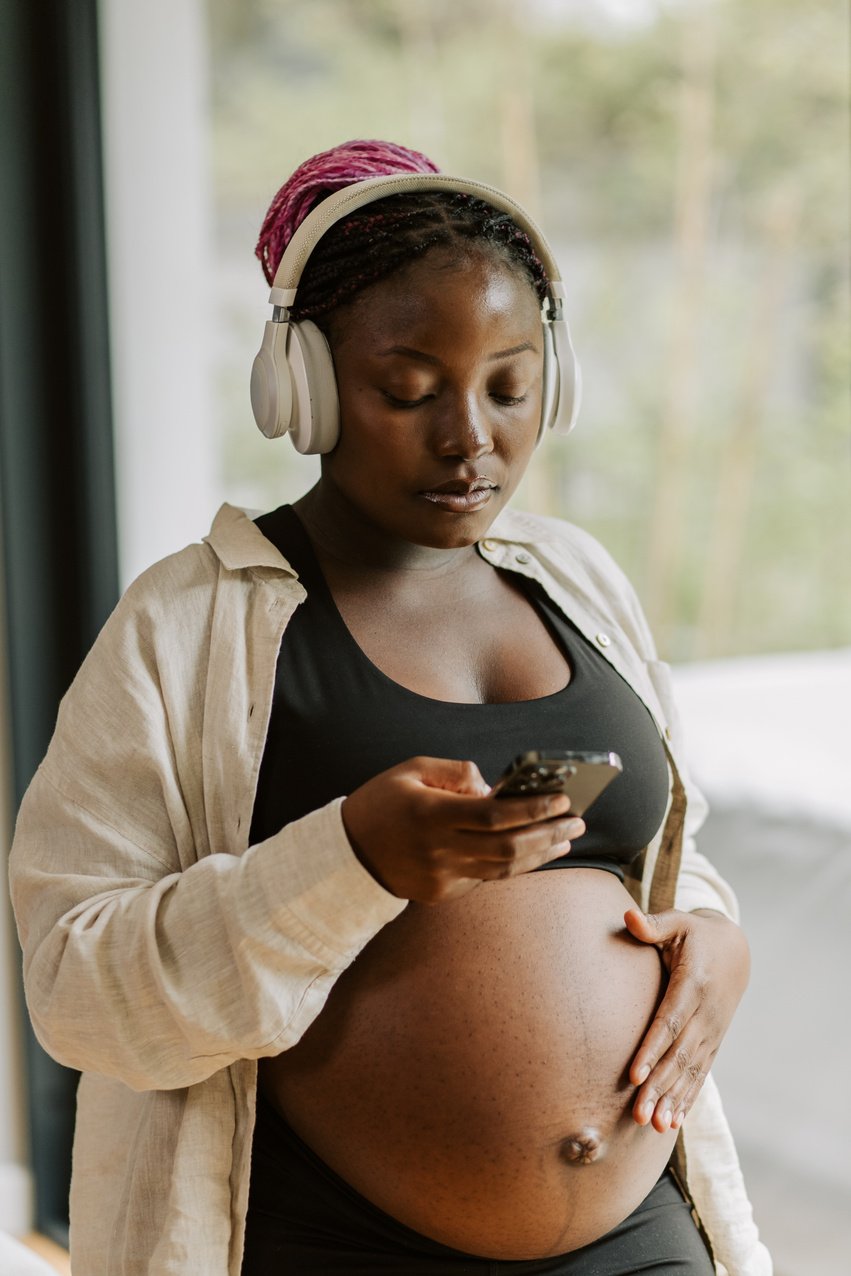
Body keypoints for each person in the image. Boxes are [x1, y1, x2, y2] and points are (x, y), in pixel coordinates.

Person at [8, 140, 771, 1275]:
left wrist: (715, 939)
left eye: (510, 385)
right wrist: (347, 860)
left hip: (642, 1233)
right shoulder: (184, 625)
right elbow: (75, 988)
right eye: (408, 391)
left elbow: (668, 848)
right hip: (332, 1240)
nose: (470, 437)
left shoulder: (575, 580)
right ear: (302, 388)